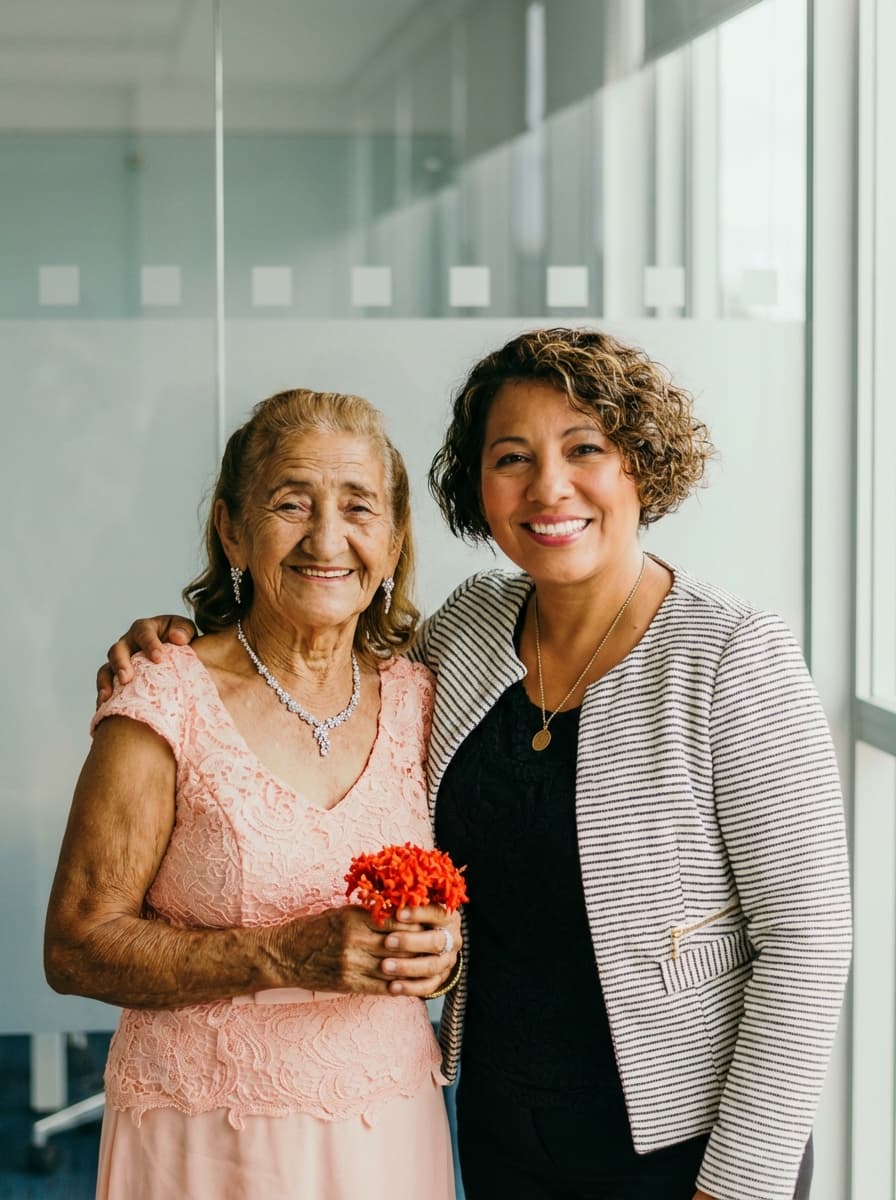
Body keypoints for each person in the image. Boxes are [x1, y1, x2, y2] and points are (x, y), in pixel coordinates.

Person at [99, 328, 851, 1200]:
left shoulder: (730, 655)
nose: (548, 488)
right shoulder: (470, 630)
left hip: (682, 1146)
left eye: (584, 450)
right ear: (478, 487)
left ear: (640, 466)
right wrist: (180, 645)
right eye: (511, 458)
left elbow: (807, 942)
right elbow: (321, 665)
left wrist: (738, 1184)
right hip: (498, 1129)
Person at [46, 388, 462, 1200]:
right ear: (233, 528)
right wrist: (283, 953)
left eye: (358, 507)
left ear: (395, 536)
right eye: (290, 503)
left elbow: (469, 895)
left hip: (388, 1130)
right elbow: (74, 947)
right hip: (205, 1144)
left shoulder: (424, 698)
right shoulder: (163, 698)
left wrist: (443, 954)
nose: (327, 538)